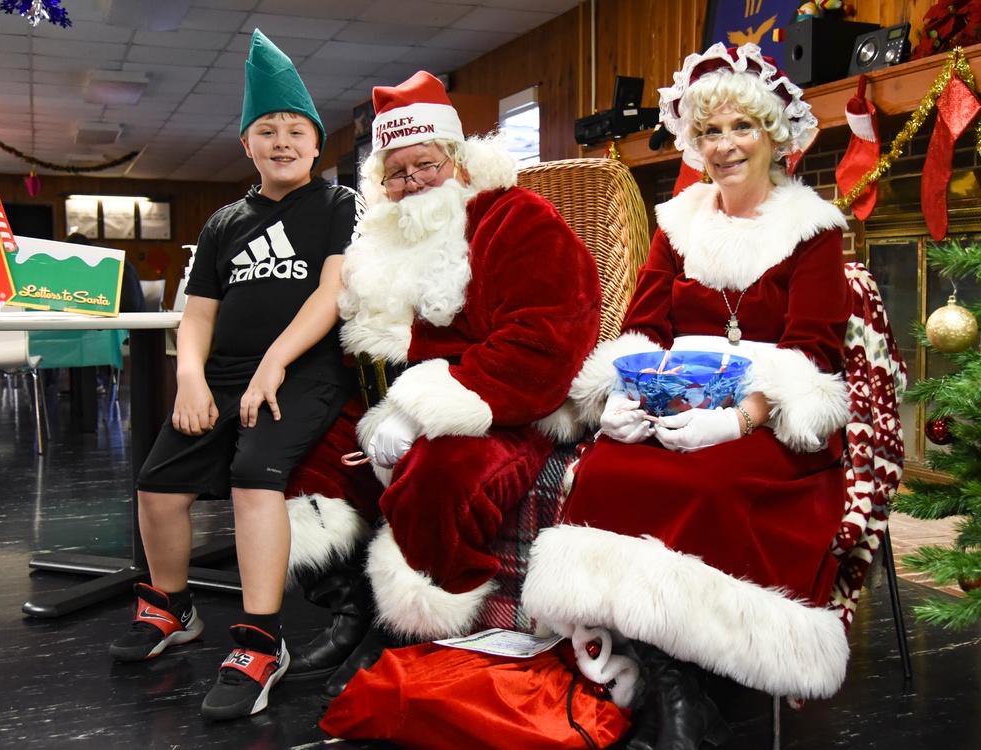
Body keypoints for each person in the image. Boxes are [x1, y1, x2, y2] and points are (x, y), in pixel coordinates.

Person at [520, 43, 853, 750]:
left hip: (768, 425)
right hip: (674, 406)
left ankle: (687, 690)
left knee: (709, 488)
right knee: (609, 468)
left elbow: (813, 357)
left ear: (775, 134)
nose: (724, 146)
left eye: (742, 128)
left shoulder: (814, 232)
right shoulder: (677, 222)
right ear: (691, 141)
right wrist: (622, 393)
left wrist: (738, 419)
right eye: (708, 132)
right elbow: (643, 324)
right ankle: (671, 678)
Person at [282, 70, 602, 700]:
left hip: (500, 407)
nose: (412, 184)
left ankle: (414, 630)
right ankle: (352, 609)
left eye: (424, 165)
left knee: (439, 474)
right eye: (396, 174)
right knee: (300, 460)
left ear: (458, 158)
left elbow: (545, 341)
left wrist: (416, 412)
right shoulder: (378, 239)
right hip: (384, 401)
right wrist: (368, 413)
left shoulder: (516, 219)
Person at [108, 29, 358, 722]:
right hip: (219, 374)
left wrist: (275, 362)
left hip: (303, 369)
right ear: (246, 145)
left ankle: (259, 642)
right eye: (267, 130)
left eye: (296, 130)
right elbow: (196, 316)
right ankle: (171, 607)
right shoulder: (224, 222)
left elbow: (331, 294)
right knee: (158, 486)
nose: (282, 141)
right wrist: (189, 377)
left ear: (316, 145)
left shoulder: (338, 206)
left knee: (255, 480)